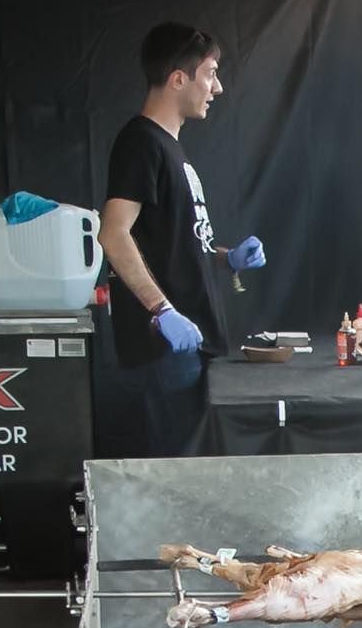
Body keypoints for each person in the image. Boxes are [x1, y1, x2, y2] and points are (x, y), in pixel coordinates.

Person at [101, 24, 264, 458]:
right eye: (210, 74)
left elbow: (174, 244)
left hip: (189, 348)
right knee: (173, 481)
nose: (218, 87)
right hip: (164, 352)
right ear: (178, 78)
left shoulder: (170, 148)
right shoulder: (141, 143)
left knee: (190, 477)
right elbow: (113, 232)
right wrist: (162, 312)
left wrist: (226, 261)